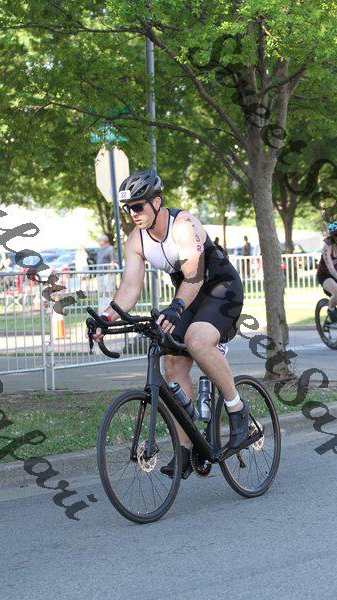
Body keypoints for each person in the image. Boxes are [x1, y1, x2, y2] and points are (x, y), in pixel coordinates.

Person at [92, 168, 246, 478]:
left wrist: (175, 307)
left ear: (157, 202)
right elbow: (130, 288)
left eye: (138, 206)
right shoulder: (136, 240)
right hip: (187, 296)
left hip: (221, 290)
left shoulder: (184, 225)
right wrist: (106, 318)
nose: (133, 214)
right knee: (172, 362)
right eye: (128, 208)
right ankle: (186, 449)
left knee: (197, 340)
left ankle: (237, 410)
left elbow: (194, 275)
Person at [96, 234, 116, 312]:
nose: (99, 242)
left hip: (107, 274)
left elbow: (112, 260)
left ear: (104, 241)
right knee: (101, 292)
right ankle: (103, 308)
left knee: (109, 291)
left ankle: (111, 308)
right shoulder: (99, 250)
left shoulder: (110, 248)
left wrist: (111, 272)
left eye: (100, 241)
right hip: (100, 274)